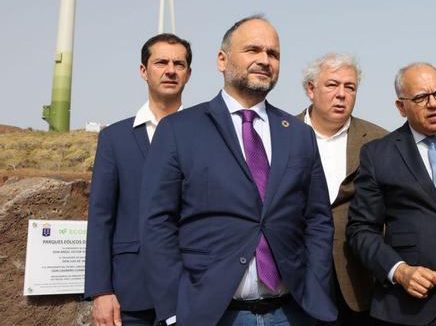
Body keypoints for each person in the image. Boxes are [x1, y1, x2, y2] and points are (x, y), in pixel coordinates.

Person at [140, 16, 336, 326]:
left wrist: (316, 287)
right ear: (222, 59)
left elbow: (318, 221)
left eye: (273, 54)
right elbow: (157, 223)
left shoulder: (299, 134)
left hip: (293, 313)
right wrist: (174, 308)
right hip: (212, 315)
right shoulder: (179, 130)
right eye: (253, 50)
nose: (264, 60)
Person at [347, 63, 436, 326]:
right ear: (401, 107)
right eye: (421, 98)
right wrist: (399, 271)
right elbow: (361, 229)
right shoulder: (378, 155)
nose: (433, 104)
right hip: (409, 306)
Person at [85, 33, 192, 326]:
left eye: (179, 64)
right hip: (130, 293)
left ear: (189, 73)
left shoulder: (205, 134)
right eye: (161, 62)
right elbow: (101, 216)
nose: (170, 69)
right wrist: (100, 290)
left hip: (194, 287)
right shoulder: (114, 139)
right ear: (143, 71)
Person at [297, 53, 388, 324]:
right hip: (295, 279)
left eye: (350, 87)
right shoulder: (280, 133)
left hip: (358, 280)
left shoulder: (379, 141)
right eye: (332, 85)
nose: (341, 94)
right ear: (311, 89)